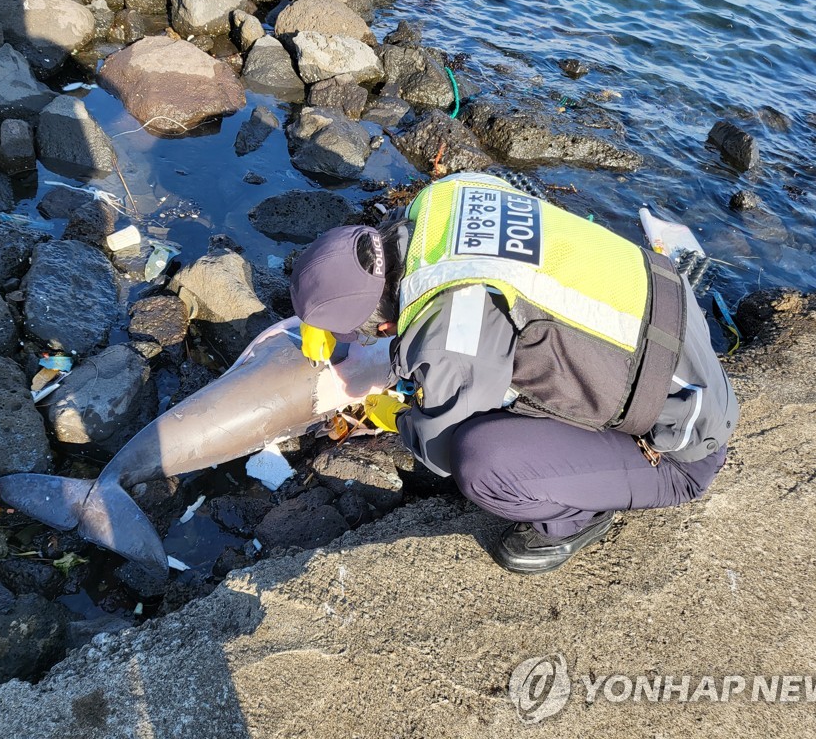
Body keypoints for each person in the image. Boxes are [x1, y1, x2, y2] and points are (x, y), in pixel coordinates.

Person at [289, 172, 738, 575]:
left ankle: (574, 520)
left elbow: (441, 448)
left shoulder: (452, 325)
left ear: (382, 323)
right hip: (673, 317)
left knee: (483, 460)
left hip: (686, 445)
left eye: (377, 332)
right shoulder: (441, 198)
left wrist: (399, 416)